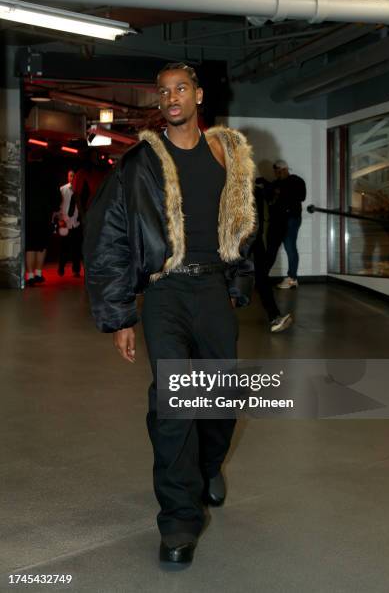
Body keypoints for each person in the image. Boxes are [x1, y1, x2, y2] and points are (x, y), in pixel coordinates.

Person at [83, 63, 257, 567]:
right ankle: (179, 517)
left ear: (198, 95)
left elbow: (244, 228)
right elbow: (108, 236)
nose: (172, 97)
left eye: (181, 88)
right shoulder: (140, 164)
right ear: (160, 103)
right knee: (174, 402)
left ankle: (208, 465)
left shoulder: (230, 155)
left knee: (222, 396)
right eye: (164, 92)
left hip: (213, 289)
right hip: (165, 292)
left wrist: (237, 284)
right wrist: (120, 316)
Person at [253, 180, 292, 332]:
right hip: (232, 241)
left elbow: (272, 198)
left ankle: (274, 316)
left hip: (253, 240)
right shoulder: (225, 185)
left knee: (262, 277)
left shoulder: (256, 190)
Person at [263, 160, 306, 289]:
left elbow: (301, 196)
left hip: (291, 218)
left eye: (280, 170)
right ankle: (262, 276)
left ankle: (292, 278)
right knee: (271, 248)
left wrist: (279, 192)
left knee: (289, 245)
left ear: (286, 169)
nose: (278, 173)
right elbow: (269, 200)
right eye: (276, 171)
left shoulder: (296, 181)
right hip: (278, 220)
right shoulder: (275, 184)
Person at [25, 152, 59, 286]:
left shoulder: (25, 170)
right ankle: (39, 273)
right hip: (45, 213)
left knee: (30, 245)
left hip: (28, 212)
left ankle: (30, 275)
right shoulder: (49, 172)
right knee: (42, 245)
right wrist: (54, 209)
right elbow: (56, 195)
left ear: (29, 157)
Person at [58, 169, 82, 277]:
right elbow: (59, 206)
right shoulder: (62, 189)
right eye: (70, 176)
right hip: (65, 222)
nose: (72, 178)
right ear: (68, 177)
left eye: (74, 176)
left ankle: (76, 270)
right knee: (64, 248)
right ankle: (61, 267)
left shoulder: (79, 189)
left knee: (76, 249)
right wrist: (60, 219)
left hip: (76, 222)